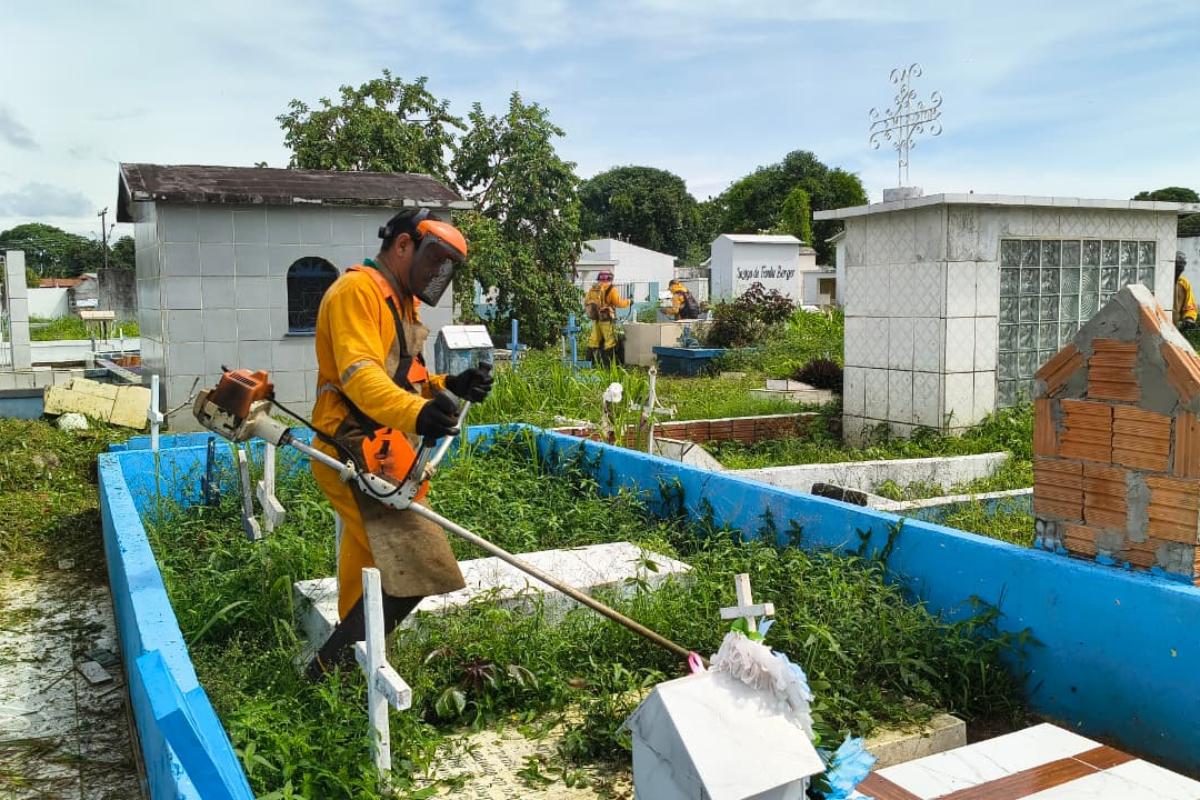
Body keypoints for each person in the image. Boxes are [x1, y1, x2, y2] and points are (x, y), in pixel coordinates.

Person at [304, 209, 493, 679]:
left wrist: (449, 383)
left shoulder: (398, 301)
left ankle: (354, 671)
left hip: (384, 449)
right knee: (419, 566)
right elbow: (361, 376)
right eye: (435, 261)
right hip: (350, 446)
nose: (438, 276)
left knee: (367, 565)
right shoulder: (357, 292)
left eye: (446, 267)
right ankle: (331, 675)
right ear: (404, 246)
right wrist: (417, 412)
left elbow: (404, 376)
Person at [584, 270, 630, 367]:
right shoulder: (611, 289)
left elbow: (586, 301)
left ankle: (589, 363)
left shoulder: (593, 289)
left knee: (594, 340)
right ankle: (608, 366)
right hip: (606, 319)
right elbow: (618, 303)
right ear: (610, 279)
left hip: (596, 319)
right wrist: (629, 302)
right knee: (609, 341)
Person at [1175, 251, 1197, 331]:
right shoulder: (1161, 280)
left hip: (1176, 325)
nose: (1181, 266)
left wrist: (1189, 318)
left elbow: (1190, 305)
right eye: (1179, 263)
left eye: (1183, 263)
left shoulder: (1184, 282)